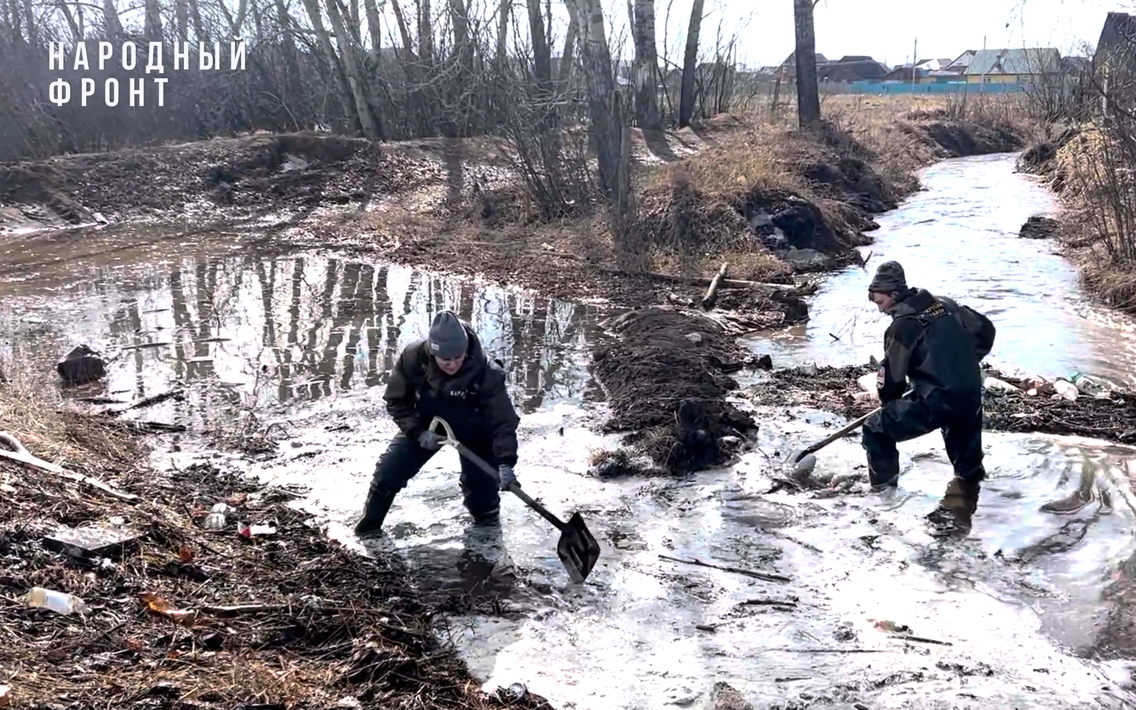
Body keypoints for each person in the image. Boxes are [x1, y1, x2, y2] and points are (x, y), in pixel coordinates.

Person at [354, 309, 521, 537]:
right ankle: (368, 531)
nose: (452, 364)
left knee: (482, 493)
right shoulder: (413, 359)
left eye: (457, 358)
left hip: (476, 428)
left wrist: (505, 463)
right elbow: (396, 401)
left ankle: (487, 542)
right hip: (427, 424)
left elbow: (503, 422)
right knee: (388, 473)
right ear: (433, 354)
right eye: (445, 360)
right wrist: (417, 431)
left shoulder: (488, 373)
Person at [863, 260, 996, 533]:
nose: (880, 309)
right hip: (970, 393)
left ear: (895, 295)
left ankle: (884, 499)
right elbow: (986, 330)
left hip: (939, 400)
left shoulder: (902, 326)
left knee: (875, 429)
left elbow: (891, 384)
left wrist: (891, 407)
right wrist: (970, 361)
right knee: (968, 468)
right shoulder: (944, 304)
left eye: (881, 302)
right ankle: (974, 518)